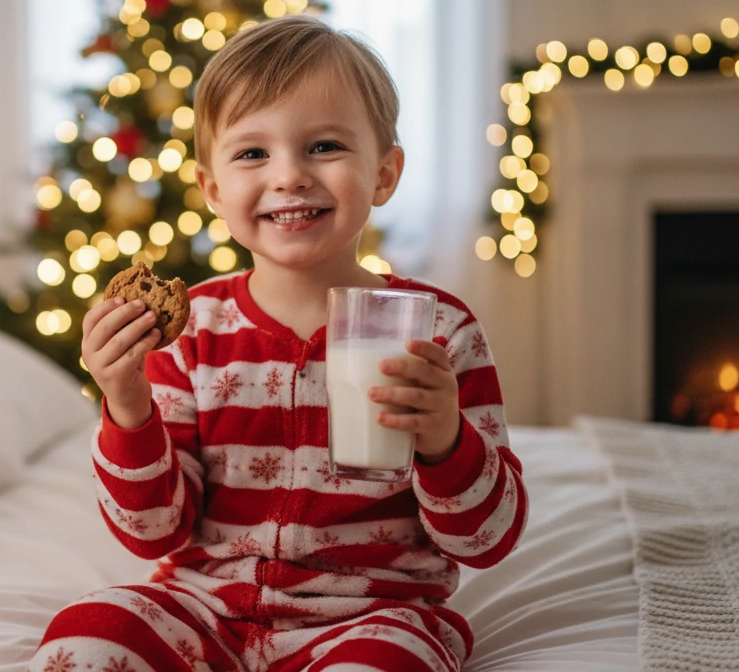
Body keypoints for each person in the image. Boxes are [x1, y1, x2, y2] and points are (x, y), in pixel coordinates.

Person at [32, 14, 527, 672]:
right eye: (252, 153)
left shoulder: (438, 332)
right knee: (88, 631)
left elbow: (488, 540)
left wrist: (444, 439)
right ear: (213, 189)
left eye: (324, 146)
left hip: (373, 615)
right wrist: (125, 404)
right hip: (206, 607)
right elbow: (153, 531)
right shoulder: (191, 335)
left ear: (383, 173)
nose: (290, 175)